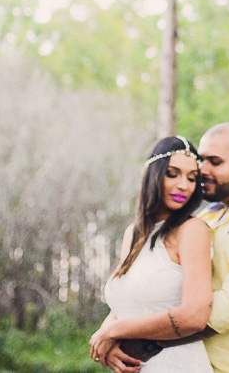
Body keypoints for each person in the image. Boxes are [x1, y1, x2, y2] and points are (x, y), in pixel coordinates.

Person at [108, 122, 229, 373]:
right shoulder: (203, 219)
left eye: (215, 162)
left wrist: (136, 341)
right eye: (202, 160)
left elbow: (225, 311)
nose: (203, 170)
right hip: (197, 364)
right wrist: (113, 331)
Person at [89, 136, 215, 372]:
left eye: (192, 178)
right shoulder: (133, 234)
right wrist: (108, 340)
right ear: (153, 175)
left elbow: (196, 316)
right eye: (172, 174)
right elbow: (129, 303)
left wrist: (114, 331)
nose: (183, 185)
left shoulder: (192, 230)